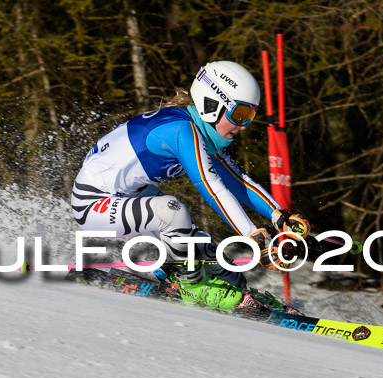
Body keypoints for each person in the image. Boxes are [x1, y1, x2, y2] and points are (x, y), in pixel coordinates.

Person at [71, 60, 310, 311]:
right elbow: (211, 186)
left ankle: (205, 282)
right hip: (94, 204)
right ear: (212, 105)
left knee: (220, 262)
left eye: (250, 116)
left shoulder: (196, 131)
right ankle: (189, 285)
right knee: (172, 212)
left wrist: (279, 217)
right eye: (239, 114)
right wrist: (253, 237)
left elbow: (237, 182)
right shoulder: (181, 130)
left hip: (128, 198)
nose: (243, 126)